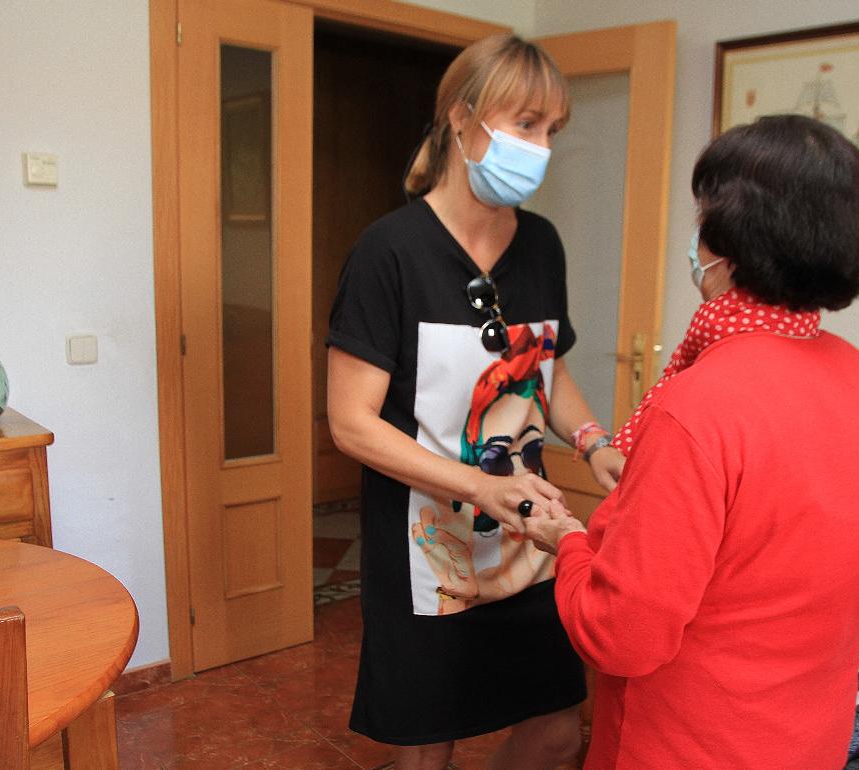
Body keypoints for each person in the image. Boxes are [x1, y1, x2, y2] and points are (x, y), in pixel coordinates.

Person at [526, 114, 859, 768]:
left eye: (703, 216)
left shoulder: (699, 406)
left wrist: (567, 541)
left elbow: (621, 635)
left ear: (728, 242)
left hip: (689, 744)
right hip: (807, 739)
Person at [325, 34, 625, 770]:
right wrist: (479, 487)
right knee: (429, 748)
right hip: (428, 549)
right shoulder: (389, 252)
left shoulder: (542, 246)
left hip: (530, 542)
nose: (542, 147)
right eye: (525, 124)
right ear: (462, 121)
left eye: (552, 130)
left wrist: (594, 442)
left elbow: (544, 371)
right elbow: (351, 423)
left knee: (557, 729)